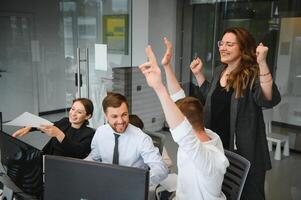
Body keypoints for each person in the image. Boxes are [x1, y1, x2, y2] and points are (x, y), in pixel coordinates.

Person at [189, 27, 281, 199]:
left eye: (229, 44)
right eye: (221, 43)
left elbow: (269, 99)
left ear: (243, 48)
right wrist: (199, 74)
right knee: (223, 194)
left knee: (248, 195)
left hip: (245, 152)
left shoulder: (252, 73)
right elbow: (211, 97)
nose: (223, 47)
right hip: (219, 149)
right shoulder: (219, 70)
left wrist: (262, 63)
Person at [139, 45, 229, 199]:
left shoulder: (208, 158)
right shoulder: (207, 134)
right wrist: (167, 66)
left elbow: (183, 133)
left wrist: (159, 87)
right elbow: (178, 99)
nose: (171, 123)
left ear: (185, 125)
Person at [86, 92, 168, 186]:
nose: (120, 121)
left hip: (132, 186)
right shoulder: (100, 132)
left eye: (124, 114)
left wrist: (136, 183)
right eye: (114, 116)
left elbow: (161, 169)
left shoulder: (141, 138)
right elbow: (94, 158)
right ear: (106, 116)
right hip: (106, 183)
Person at [12, 98, 95, 159]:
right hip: (46, 159)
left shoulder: (89, 133)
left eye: (79, 112)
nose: (73, 114)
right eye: (72, 109)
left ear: (88, 116)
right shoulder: (65, 121)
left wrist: (59, 134)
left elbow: (78, 152)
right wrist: (30, 127)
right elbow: (49, 126)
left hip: (64, 168)